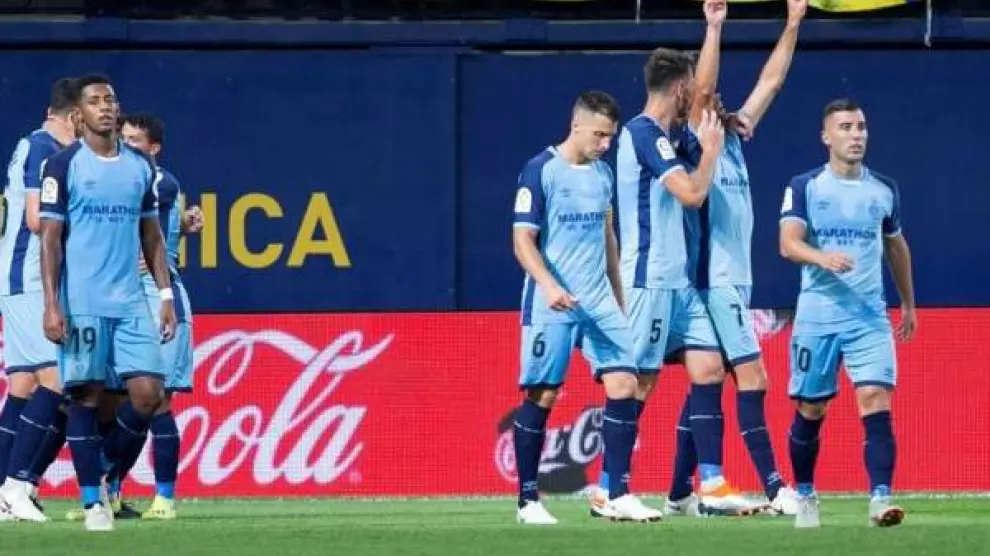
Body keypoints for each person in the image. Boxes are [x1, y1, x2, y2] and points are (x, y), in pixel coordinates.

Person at [667, 0, 808, 517]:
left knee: (705, 383)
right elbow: (704, 90)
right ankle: (776, 488)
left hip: (734, 280)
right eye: (708, 97)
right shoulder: (693, 141)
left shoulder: (732, 137)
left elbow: (771, 82)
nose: (719, 98)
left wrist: (793, 22)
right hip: (713, 280)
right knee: (754, 378)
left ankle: (680, 491)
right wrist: (714, 26)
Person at [511, 90, 662, 525]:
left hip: (598, 301)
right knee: (543, 394)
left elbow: (608, 236)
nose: (605, 144)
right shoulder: (540, 170)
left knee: (625, 383)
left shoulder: (602, 174)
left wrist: (619, 296)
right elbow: (522, 240)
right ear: (576, 125)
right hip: (552, 302)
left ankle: (616, 493)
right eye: (599, 135)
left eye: (610, 136)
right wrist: (548, 286)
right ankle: (527, 501)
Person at [36, 73, 177, 531]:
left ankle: (102, 469)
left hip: (132, 302)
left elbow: (152, 235)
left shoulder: (140, 167)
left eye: (110, 99)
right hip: (82, 301)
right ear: (79, 114)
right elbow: (50, 239)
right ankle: (93, 501)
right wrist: (52, 304)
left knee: (149, 395)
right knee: (86, 397)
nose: (105, 107)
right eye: (95, 101)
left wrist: (165, 295)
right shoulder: (62, 165)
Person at [779, 98, 916, 528]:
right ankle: (805, 494)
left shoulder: (884, 189)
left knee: (875, 397)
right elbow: (788, 243)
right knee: (811, 409)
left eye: (861, 127)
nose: (856, 135)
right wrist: (822, 258)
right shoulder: (805, 186)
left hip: (868, 317)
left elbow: (896, 246)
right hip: (817, 316)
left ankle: (880, 500)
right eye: (846, 127)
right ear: (826, 136)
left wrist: (908, 303)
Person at [0, 77, 77, 520]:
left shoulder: (31, 144)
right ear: (72, 117)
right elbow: (35, 218)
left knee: (24, 385)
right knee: (58, 379)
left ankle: (4, 491)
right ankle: (17, 485)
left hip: (20, 278)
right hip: (29, 277)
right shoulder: (46, 149)